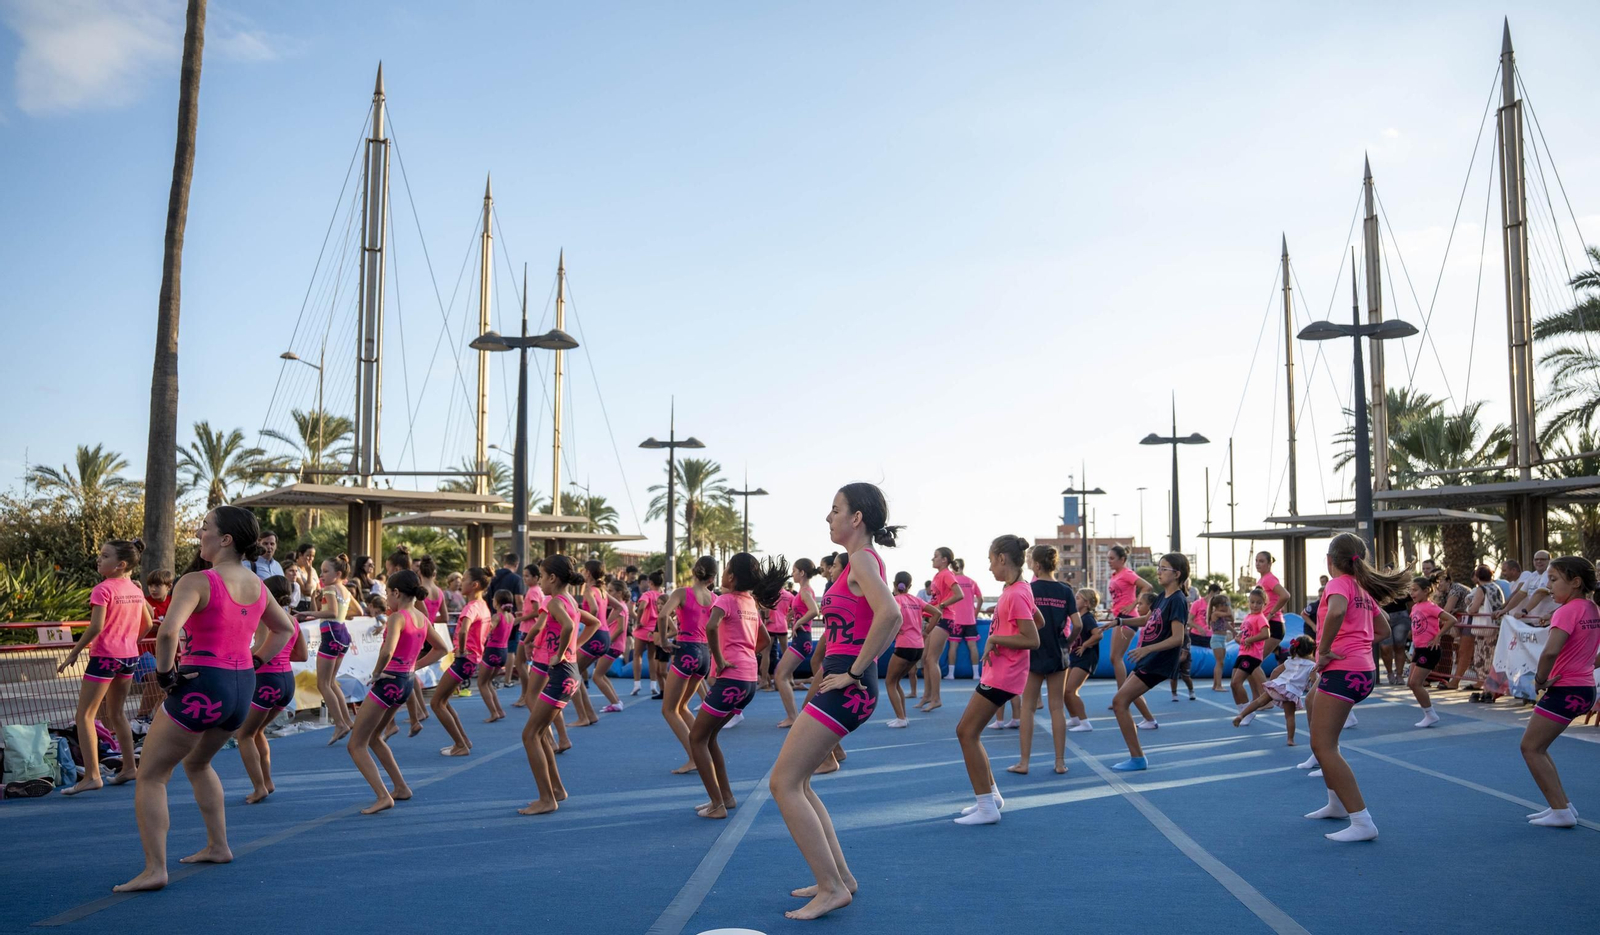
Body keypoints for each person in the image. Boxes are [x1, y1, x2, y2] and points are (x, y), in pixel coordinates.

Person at [114, 506, 295, 893]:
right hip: (241, 685)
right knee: (198, 762)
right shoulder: (258, 585)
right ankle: (218, 845)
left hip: (202, 680)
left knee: (151, 775)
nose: (200, 533)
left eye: (206, 528)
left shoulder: (198, 580)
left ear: (225, 538)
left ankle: (155, 869)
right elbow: (284, 629)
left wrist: (165, 677)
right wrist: (257, 658)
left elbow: (166, 634)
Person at [769, 483, 901, 920]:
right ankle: (840, 878)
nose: (829, 517)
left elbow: (892, 615)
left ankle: (831, 888)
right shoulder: (856, 564)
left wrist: (855, 671)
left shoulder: (863, 559)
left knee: (783, 784)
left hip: (849, 690)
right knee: (799, 782)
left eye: (835, 510)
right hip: (841, 687)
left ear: (857, 518)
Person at [1302, 532, 1409, 843]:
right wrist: (1358, 646)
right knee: (1311, 701)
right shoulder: (1361, 589)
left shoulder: (1338, 585)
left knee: (1323, 746)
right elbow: (1383, 629)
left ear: (1329, 561)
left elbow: (1335, 612)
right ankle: (1336, 804)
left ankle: (1362, 821)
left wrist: (1324, 651)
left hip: (1344, 671)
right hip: (1363, 671)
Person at [952, 535, 1043, 825]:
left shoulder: (1015, 593)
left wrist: (995, 636)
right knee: (970, 733)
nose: (990, 567)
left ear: (1003, 558)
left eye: (991, 560)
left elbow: (1033, 638)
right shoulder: (1019, 589)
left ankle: (986, 806)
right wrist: (1002, 622)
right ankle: (990, 797)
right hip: (1003, 672)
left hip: (1004, 674)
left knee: (966, 733)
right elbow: (1037, 620)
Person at [691, 553, 785, 818]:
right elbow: (764, 640)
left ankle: (717, 805)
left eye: (726, 570)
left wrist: (720, 660)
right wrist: (744, 655)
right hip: (747, 681)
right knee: (709, 738)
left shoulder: (726, 599)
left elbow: (711, 627)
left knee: (696, 739)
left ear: (730, 577)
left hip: (731, 678)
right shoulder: (750, 602)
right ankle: (726, 798)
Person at [56, 537, 153, 794]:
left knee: (85, 715)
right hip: (129, 656)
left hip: (106, 656)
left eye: (105, 555)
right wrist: (131, 642)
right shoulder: (135, 589)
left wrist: (74, 653)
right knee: (117, 713)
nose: (99, 559)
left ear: (120, 564)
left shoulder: (103, 589)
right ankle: (129, 767)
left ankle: (91, 776)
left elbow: (96, 626)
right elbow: (149, 623)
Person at [348, 569, 448, 814]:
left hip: (389, 680)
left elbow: (387, 650)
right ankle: (400, 787)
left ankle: (383, 795)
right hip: (405, 682)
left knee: (356, 744)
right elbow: (441, 648)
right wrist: (413, 666)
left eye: (386, 593)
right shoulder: (422, 618)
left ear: (395, 592)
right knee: (374, 737)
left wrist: (375, 673)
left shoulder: (397, 617)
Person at [1520, 556, 1600, 829]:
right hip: (1585, 687)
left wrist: (1540, 680)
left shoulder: (1565, 611)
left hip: (1566, 688)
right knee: (1539, 747)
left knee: (1530, 747)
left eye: (1554, 580)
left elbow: (1550, 651)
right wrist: (1586, 666)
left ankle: (1560, 811)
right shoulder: (1591, 608)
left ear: (1575, 582)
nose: (1549, 586)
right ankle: (1563, 805)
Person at [1106, 553, 1190, 771]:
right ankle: (1137, 754)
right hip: (1149, 658)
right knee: (1121, 701)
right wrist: (1118, 621)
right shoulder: (1162, 596)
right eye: (1159, 567)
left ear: (1177, 574)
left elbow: (1177, 638)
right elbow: (1146, 619)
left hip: (1158, 661)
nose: (1158, 572)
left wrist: (1147, 649)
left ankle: (1138, 758)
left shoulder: (1178, 601)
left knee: (1119, 702)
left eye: (1164, 568)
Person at [519, 554, 585, 816]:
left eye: (543, 576)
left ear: (552, 578)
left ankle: (547, 799)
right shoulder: (571, 600)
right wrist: (572, 651)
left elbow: (568, 626)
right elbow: (588, 623)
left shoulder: (557, 601)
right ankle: (556, 790)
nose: (540, 582)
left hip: (562, 673)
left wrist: (560, 653)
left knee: (530, 735)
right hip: (571, 673)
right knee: (541, 732)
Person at [236, 575, 308, 804]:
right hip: (286, 681)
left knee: (244, 734)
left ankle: (259, 787)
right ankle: (266, 781)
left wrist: (237, 660)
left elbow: (259, 647)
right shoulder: (293, 621)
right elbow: (303, 655)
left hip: (267, 681)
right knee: (257, 731)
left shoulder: (265, 618)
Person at [1005, 544, 1073, 775]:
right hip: (1058, 652)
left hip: (1032, 652)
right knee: (1057, 708)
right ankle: (1060, 762)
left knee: (1028, 708)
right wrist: (1067, 642)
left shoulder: (1028, 589)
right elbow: (1080, 624)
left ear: (1036, 565)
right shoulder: (1065, 590)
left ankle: (1024, 762)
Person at [659, 557, 718, 773]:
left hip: (686, 650)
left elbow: (664, 614)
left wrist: (664, 641)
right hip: (703, 654)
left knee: (669, 709)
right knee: (682, 706)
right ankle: (702, 751)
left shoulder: (682, 593)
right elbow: (716, 626)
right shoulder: (713, 598)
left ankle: (694, 757)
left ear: (694, 571)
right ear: (712, 578)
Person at [433, 567, 490, 757]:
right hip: (471, 660)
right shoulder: (483, 605)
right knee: (444, 700)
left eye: (464, 579)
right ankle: (463, 740)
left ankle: (460, 744)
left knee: (436, 703)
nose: (460, 582)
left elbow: (464, 629)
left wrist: (462, 650)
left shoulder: (472, 606)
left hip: (465, 659)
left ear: (474, 585)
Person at [303, 555, 356, 745]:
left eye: (325, 571)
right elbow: (355, 611)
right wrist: (317, 604)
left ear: (338, 574)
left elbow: (331, 613)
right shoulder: (345, 591)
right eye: (322, 571)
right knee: (331, 682)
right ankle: (347, 720)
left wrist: (309, 613)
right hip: (342, 635)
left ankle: (340, 723)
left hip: (332, 634)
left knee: (323, 684)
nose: (322, 575)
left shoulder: (331, 588)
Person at [1105, 545, 1155, 725]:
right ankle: (1122, 694)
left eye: (1112, 558)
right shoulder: (1115, 575)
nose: (1109, 561)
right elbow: (1118, 597)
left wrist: (1134, 604)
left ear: (1122, 559)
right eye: (1108, 558)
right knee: (1113, 658)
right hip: (1119, 616)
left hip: (1128, 618)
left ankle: (1122, 695)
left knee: (1116, 657)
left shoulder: (1127, 573)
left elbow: (1147, 587)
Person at [1234, 636, 1316, 743]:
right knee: (1290, 716)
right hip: (1291, 692)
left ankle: (1241, 715)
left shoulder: (1290, 661)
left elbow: (1275, 671)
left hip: (1278, 685)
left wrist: (1273, 682)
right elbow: (1314, 680)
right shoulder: (1312, 665)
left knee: (1258, 702)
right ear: (1311, 650)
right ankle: (1290, 739)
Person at [885, 572, 937, 727]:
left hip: (904, 645)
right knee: (896, 681)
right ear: (910, 586)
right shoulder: (916, 600)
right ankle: (903, 716)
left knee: (889, 682)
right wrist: (926, 632)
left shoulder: (895, 600)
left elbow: (893, 616)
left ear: (895, 584)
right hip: (918, 646)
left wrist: (895, 630)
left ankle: (901, 718)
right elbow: (937, 613)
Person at [776, 558, 823, 727]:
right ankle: (793, 715)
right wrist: (792, 616)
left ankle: (793, 716)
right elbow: (804, 610)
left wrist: (798, 622)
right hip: (800, 639)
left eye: (794, 571)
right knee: (783, 675)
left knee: (780, 675)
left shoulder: (805, 591)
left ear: (802, 573)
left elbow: (814, 611)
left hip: (803, 639)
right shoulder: (803, 591)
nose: (792, 574)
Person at [573, 560, 622, 724]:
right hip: (604, 635)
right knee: (576, 673)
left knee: (572, 673)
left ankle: (584, 716)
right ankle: (589, 714)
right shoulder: (601, 591)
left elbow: (593, 609)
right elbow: (619, 607)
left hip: (594, 636)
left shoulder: (589, 591)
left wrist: (583, 619)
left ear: (588, 573)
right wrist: (605, 623)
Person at [1406, 573, 1457, 728]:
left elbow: (1451, 620)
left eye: (1415, 590)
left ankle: (1430, 714)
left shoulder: (1430, 607)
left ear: (1426, 590)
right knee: (1411, 683)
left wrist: (1438, 636)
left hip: (1430, 650)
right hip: (1419, 649)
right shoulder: (1415, 607)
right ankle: (1429, 713)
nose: (1412, 593)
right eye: (1411, 590)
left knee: (1416, 683)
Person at [922, 547, 966, 707]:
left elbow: (959, 594)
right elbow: (936, 599)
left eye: (935, 556)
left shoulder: (947, 574)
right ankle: (927, 695)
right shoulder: (937, 576)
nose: (932, 559)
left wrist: (942, 605)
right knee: (926, 659)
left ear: (944, 560)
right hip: (936, 617)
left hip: (945, 618)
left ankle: (936, 699)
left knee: (932, 659)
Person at [1064, 588, 1102, 731]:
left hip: (1086, 658)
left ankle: (1085, 722)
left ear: (1086, 603)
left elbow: (1098, 635)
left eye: (1078, 598)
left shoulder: (1088, 619)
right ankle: (1074, 718)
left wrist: (1085, 645)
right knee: (1063, 690)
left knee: (1070, 690)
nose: (1075, 601)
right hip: (1075, 657)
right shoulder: (1079, 618)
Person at [1231, 588, 1270, 723]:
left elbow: (1266, 634)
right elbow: (1242, 635)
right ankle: (1242, 711)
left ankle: (1247, 712)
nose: (1254, 605)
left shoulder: (1261, 618)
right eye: (1252, 602)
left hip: (1252, 655)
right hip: (1242, 653)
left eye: (1258, 603)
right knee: (1233, 684)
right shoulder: (1248, 617)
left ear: (1264, 604)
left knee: (1237, 682)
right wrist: (1240, 638)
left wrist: (1249, 640)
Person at [476, 590, 516, 724]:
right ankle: (499, 710)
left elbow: (488, 629)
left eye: (493, 600)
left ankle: (493, 712)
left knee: (481, 683)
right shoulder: (511, 617)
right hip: (503, 652)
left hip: (493, 651)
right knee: (488, 683)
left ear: (497, 602)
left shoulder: (497, 616)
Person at [950, 557, 985, 682]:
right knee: (973, 646)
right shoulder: (971, 581)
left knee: (953, 646)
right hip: (970, 619)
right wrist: (975, 613)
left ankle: (950, 674)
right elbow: (981, 599)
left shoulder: (952, 582)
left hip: (955, 619)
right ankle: (976, 674)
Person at [601, 577, 632, 712]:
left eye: (611, 591)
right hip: (614, 645)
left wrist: (608, 642)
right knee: (601, 674)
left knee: (597, 676)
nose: (608, 593)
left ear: (619, 593)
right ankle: (616, 701)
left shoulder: (620, 608)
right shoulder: (618, 607)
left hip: (614, 645)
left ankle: (615, 702)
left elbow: (620, 628)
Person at [632, 570, 664, 698]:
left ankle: (637, 684)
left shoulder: (648, 594)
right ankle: (653, 685)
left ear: (650, 582)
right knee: (652, 657)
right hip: (655, 628)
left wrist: (639, 621)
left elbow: (641, 606)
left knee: (637, 655)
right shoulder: (662, 595)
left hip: (644, 628)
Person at [1256, 551, 1291, 666]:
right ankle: (1282, 654)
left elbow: (1285, 595)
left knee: (1255, 660)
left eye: (1261, 561)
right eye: (1256, 561)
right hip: (1266, 624)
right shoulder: (1261, 580)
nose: (1257, 564)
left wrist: (1271, 613)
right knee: (1253, 659)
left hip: (1274, 624)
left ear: (1269, 564)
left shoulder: (1269, 579)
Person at [762, 584, 796, 691]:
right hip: (782, 624)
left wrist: (767, 617)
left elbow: (764, 606)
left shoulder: (771, 593)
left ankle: (764, 680)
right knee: (786, 652)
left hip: (771, 624)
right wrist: (788, 616)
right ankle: (790, 678)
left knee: (766, 653)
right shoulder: (789, 595)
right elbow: (796, 607)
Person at [1207, 590, 1233, 692]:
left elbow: (1229, 620)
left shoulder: (1221, 615)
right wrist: (1229, 605)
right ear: (1217, 605)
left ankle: (1215, 684)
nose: (1226, 606)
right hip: (1216, 639)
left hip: (1222, 639)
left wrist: (1234, 631)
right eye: (1224, 604)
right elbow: (1229, 614)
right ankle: (1218, 685)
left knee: (1221, 662)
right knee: (1220, 662)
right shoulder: (1216, 613)